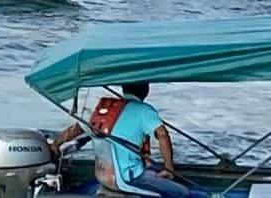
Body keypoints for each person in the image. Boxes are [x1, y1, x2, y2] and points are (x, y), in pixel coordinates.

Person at [50, 83, 188, 198]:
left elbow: (75, 129)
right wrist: (169, 168)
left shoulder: (104, 110)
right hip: (127, 179)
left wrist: (55, 144)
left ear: (124, 89)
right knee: (182, 192)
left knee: (151, 170)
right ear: (146, 90)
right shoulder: (145, 110)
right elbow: (163, 136)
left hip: (103, 177)